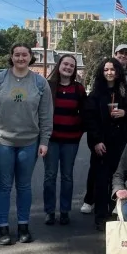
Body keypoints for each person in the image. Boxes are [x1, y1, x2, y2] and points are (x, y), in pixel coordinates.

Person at [0, 44, 53, 245]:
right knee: (4, 186)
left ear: (30, 57)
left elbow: (46, 115)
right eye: (17, 55)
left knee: (24, 186)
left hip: (29, 142)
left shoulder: (40, 83)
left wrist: (45, 141)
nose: (20, 58)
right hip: (3, 141)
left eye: (24, 55)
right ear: (11, 57)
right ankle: (2, 227)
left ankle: (23, 226)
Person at [84, 57, 127, 231]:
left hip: (122, 143)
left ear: (118, 72)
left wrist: (125, 112)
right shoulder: (95, 94)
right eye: (106, 69)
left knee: (120, 180)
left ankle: (118, 213)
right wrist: (96, 141)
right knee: (101, 181)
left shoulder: (126, 92)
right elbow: (90, 120)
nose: (109, 72)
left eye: (112, 69)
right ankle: (100, 217)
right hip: (102, 143)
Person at [42, 54, 87, 226]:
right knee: (50, 176)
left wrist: (79, 131)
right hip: (51, 140)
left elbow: (85, 113)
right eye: (65, 64)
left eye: (71, 65)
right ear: (59, 65)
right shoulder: (48, 86)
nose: (68, 67)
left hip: (71, 141)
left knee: (67, 176)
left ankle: (65, 211)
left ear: (74, 69)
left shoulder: (78, 89)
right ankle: (49, 211)